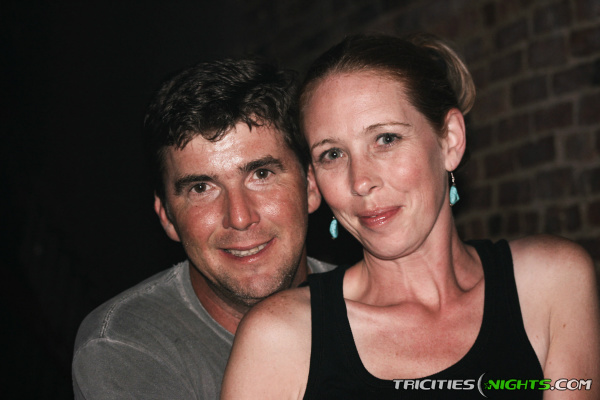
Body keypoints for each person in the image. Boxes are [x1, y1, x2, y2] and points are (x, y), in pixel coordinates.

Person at [221, 34, 600, 399]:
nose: (360, 181)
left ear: (450, 140)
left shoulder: (551, 283)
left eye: (386, 139)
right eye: (332, 154)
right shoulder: (281, 338)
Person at [72, 58, 334, 399]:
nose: (239, 217)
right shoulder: (126, 347)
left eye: (261, 174)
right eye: (201, 188)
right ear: (167, 217)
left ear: (310, 186)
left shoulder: (382, 309)